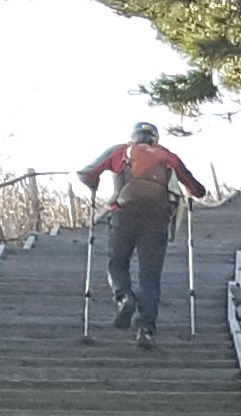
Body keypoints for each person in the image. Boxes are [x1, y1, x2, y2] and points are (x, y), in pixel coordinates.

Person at [78, 121, 205, 349]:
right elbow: (197, 189)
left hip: (124, 215)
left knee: (117, 263)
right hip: (157, 220)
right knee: (150, 277)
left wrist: (94, 182)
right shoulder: (167, 156)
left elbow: (87, 174)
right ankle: (145, 329)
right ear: (155, 138)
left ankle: (124, 298)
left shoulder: (120, 151)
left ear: (133, 136)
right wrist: (188, 191)